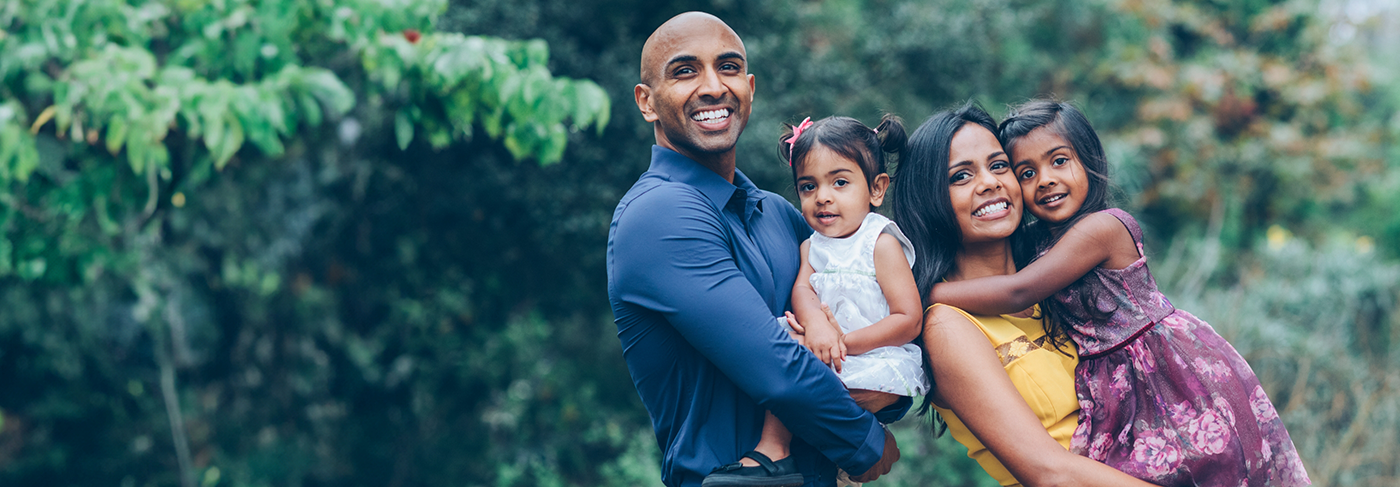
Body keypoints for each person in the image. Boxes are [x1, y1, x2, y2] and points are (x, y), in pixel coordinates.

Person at [928, 100, 1311, 485]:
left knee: (1213, 463)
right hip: (1117, 388)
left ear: (1091, 160)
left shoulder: (1102, 229)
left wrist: (928, 294)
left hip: (1161, 371)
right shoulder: (1032, 253)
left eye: (1059, 161)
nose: (1044, 179)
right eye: (1027, 172)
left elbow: (1017, 291)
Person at [607, 12, 900, 487]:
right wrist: (866, 441)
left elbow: (867, 297)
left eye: (727, 67)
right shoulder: (657, 215)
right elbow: (775, 367)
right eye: (685, 71)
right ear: (647, 102)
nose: (712, 87)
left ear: (749, 86)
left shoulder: (780, 213)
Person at [879, 102, 1155, 487]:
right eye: (961, 176)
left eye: (999, 166)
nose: (990, 183)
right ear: (928, 201)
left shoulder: (1059, 286)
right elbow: (1050, 473)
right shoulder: (947, 323)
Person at [704, 115, 927, 487]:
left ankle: (786, 450)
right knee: (784, 353)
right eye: (809, 186)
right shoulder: (812, 244)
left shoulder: (881, 243)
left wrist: (843, 344)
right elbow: (803, 290)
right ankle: (785, 452)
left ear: (876, 189)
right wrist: (817, 326)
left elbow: (908, 319)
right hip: (827, 353)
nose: (822, 196)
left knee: (802, 376)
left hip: (875, 356)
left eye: (840, 182)